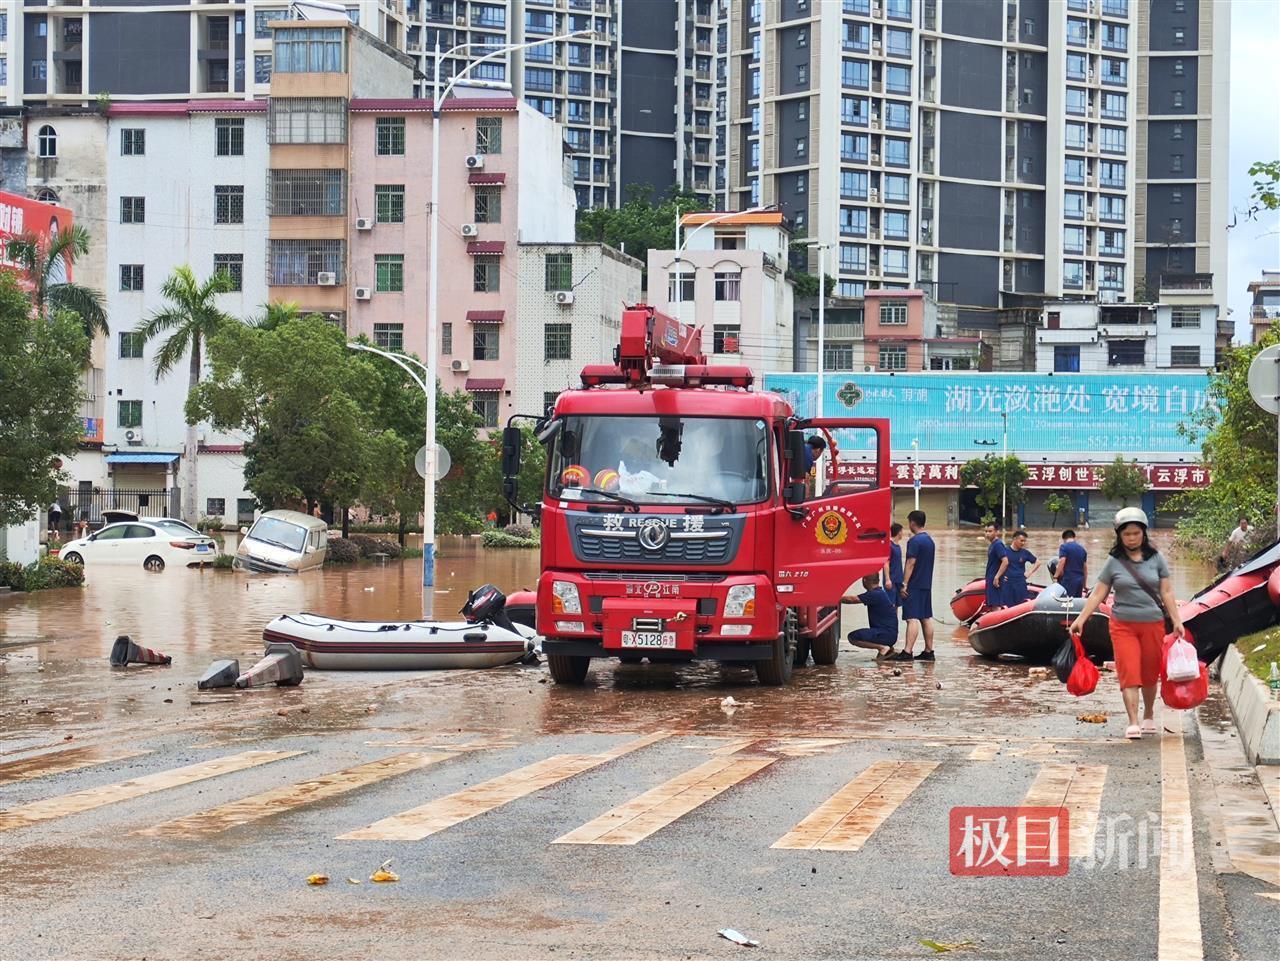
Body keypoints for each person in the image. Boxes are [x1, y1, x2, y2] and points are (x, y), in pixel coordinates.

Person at [1070, 507, 1184, 740]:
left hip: (1152, 624)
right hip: (1122, 625)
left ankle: (1149, 714)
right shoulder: (1113, 562)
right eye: (1126, 534)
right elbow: (1097, 594)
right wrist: (1081, 619)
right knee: (1129, 672)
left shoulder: (1157, 559)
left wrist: (1177, 620)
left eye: (1135, 533)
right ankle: (1133, 721)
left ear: (1143, 533)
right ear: (1119, 536)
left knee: (1150, 673)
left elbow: (1167, 591)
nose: (1131, 538)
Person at [897, 510, 935, 661]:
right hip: (926, 584)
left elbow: (911, 563)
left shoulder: (914, 541)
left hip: (914, 584)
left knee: (911, 618)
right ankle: (929, 651)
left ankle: (907, 651)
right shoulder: (930, 541)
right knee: (925, 617)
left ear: (912, 522)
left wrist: (904, 584)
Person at [842, 574, 898, 658]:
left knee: (852, 637)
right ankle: (888, 648)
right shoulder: (879, 592)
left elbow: (851, 599)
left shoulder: (875, 594)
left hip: (886, 635)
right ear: (878, 581)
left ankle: (882, 647)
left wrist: (834, 598)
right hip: (890, 635)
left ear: (864, 580)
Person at [1002, 530, 1041, 604]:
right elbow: (996, 564)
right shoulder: (1004, 551)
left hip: (1020, 582)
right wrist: (1000, 576)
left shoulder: (1025, 553)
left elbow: (1038, 562)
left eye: (1024, 541)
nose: (1023, 543)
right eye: (1021, 541)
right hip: (1007, 583)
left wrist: (1029, 572)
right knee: (1007, 605)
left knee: (1021, 604)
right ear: (1014, 539)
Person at [983, 522, 1009, 611]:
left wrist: (997, 577)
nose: (987, 534)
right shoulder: (992, 545)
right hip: (991, 578)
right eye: (986, 531)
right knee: (992, 604)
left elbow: (1005, 561)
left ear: (997, 532)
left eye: (990, 531)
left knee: (996, 604)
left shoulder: (998, 544)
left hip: (995, 580)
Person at [1056, 529, 1088, 598]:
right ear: (1074, 537)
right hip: (1079, 582)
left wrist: (1056, 576)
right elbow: (1085, 569)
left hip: (1068, 580)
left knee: (1066, 602)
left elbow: (1062, 561)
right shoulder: (1082, 549)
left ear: (1064, 539)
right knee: (1076, 603)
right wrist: (1084, 585)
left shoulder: (1064, 547)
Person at [883, 522, 905, 609]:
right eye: (902, 531)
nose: (903, 533)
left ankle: (895, 622)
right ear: (899, 532)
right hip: (891, 580)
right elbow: (886, 562)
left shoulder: (898, 546)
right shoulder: (889, 545)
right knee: (890, 605)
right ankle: (889, 622)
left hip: (898, 580)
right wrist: (888, 579)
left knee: (896, 605)